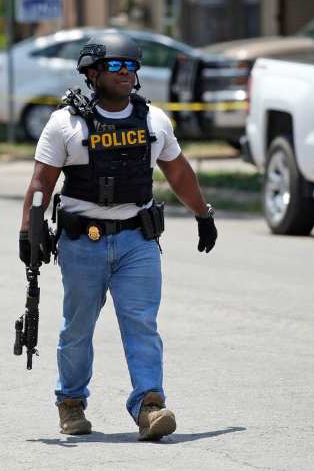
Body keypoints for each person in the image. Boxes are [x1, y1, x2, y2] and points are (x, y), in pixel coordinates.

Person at [19, 32, 217, 441]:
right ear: (92, 72)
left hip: (137, 241)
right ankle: (71, 401)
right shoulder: (65, 124)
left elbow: (178, 172)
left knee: (141, 323)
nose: (126, 72)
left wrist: (203, 213)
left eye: (131, 66)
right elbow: (42, 182)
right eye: (115, 66)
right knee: (77, 328)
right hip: (82, 242)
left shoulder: (153, 120)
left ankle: (150, 405)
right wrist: (29, 231)